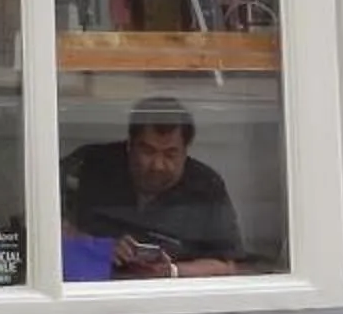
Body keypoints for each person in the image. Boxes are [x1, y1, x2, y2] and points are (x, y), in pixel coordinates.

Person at [62, 97, 245, 277]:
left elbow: (230, 264)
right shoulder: (90, 165)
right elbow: (41, 220)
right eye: (148, 151)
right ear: (130, 146)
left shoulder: (206, 186)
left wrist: (174, 271)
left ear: (185, 151)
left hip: (169, 297)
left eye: (170, 154)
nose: (158, 165)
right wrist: (96, 246)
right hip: (88, 290)